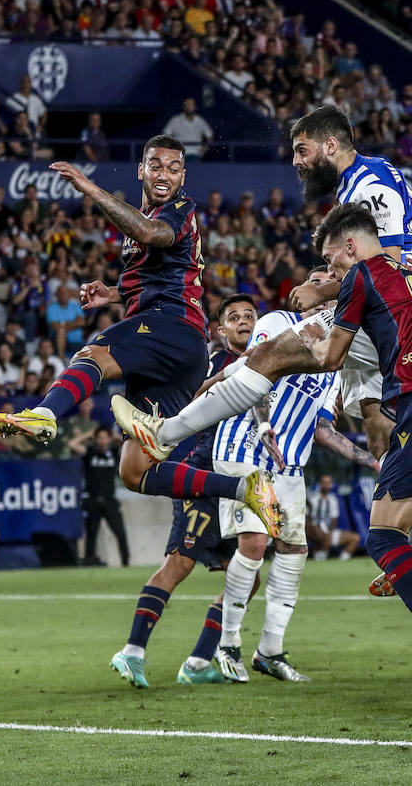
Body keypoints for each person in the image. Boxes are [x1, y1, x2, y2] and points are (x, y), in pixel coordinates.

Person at [135, 203, 412, 713]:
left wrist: (323, 328)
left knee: (377, 535)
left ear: (349, 247)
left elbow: (323, 360)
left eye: (332, 260)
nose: (331, 272)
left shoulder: (358, 282)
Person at [108, 106, 412, 597]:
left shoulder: (367, 184)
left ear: (331, 145)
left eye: (302, 152)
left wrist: (324, 292)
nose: (297, 163)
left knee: (266, 356)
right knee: (373, 422)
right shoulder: (382, 174)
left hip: (383, 312)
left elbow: (388, 260)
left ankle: (166, 433)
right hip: (391, 311)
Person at [0, 137, 278, 540]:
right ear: (142, 170)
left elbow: (153, 234)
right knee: (135, 471)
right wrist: (115, 294)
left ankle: (45, 414)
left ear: (183, 176)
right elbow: (165, 272)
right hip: (177, 345)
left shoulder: (179, 210)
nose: (164, 175)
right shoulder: (146, 219)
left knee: (94, 355)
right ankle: (245, 488)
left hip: (170, 326)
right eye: (156, 166)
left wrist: (91, 190)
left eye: (173, 168)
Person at [203, 272, 382, 684]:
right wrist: (265, 428)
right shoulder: (275, 323)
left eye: (331, 283)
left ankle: (269, 650)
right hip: (246, 447)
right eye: (316, 280)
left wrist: (370, 460)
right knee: (255, 542)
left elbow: (323, 429)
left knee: (293, 551)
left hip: (290, 464)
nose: (323, 288)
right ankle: (228, 644)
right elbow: (253, 375)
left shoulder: (334, 356)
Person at [106, 294, 257, 688]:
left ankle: (197, 661)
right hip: (199, 472)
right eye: (234, 318)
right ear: (220, 331)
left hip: (235, 474)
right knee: (179, 563)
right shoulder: (215, 362)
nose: (244, 322)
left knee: (247, 575)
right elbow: (187, 399)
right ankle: (133, 651)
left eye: (249, 316)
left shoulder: (263, 368)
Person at [74, 427, 128, 567]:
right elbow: (72, 444)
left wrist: (115, 436)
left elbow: (130, 445)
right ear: (96, 439)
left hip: (110, 500)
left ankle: (125, 562)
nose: (103, 441)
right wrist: (88, 434)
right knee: (91, 535)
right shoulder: (89, 452)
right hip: (92, 500)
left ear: (109, 439)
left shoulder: (114, 453)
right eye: (100, 437)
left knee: (120, 533)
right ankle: (89, 560)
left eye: (105, 438)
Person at [305, 474, 359, 560]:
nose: (327, 485)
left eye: (329, 483)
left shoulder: (333, 499)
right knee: (321, 535)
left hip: (327, 530)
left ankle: (342, 562)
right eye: (324, 482)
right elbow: (306, 519)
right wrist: (314, 530)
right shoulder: (312, 498)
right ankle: (319, 557)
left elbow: (334, 520)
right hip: (313, 531)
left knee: (355, 538)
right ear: (320, 484)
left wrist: (328, 532)